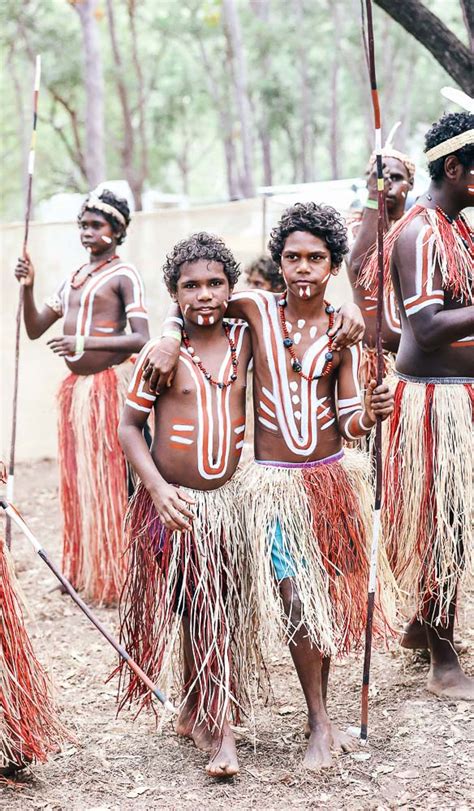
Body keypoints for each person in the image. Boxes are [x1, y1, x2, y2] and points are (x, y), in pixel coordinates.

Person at [142, 204, 394, 771]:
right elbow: (196, 304)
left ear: (332, 265)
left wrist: (371, 414)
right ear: (279, 263)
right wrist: (165, 332)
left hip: (328, 482)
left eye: (316, 259)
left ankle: (320, 723)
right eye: (292, 258)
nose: (303, 269)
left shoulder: (342, 330)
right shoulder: (255, 309)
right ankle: (308, 720)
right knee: (294, 595)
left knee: (320, 602)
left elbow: (348, 416)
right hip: (273, 488)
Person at [116, 233, 256, 778]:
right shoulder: (160, 354)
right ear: (173, 294)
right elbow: (129, 427)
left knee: (220, 610)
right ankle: (220, 732)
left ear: (230, 287)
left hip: (229, 503)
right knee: (200, 612)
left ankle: (199, 708)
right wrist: (155, 489)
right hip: (176, 506)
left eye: (215, 283)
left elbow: (271, 306)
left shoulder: (247, 339)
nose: (204, 295)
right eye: (190, 286)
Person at [360, 111, 473, 699]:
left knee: (448, 520)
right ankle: (444, 662)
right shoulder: (422, 231)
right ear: (454, 168)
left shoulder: (455, 227)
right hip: (435, 404)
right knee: (444, 525)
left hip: (457, 399)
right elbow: (426, 326)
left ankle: (420, 627)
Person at [14, 189, 149, 605]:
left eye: (96, 226)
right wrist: (28, 286)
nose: (87, 232)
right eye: (83, 225)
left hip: (110, 389)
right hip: (78, 395)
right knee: (81, 482)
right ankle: (84, 568)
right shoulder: (74, 278)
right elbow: (36, 328)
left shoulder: (124, 275)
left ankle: (125, 572)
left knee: (113, 482)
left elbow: (142, 338)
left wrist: (83, 340)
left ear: (117, 231)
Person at [347, 145, 415, 388]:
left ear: (411, 185)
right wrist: (374, 199)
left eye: (396, 178)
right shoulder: (355, 227)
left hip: (418, 366)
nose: (387, 184)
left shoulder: (420, 228)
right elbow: (361, 265)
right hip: (372, 365)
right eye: (379, 178)